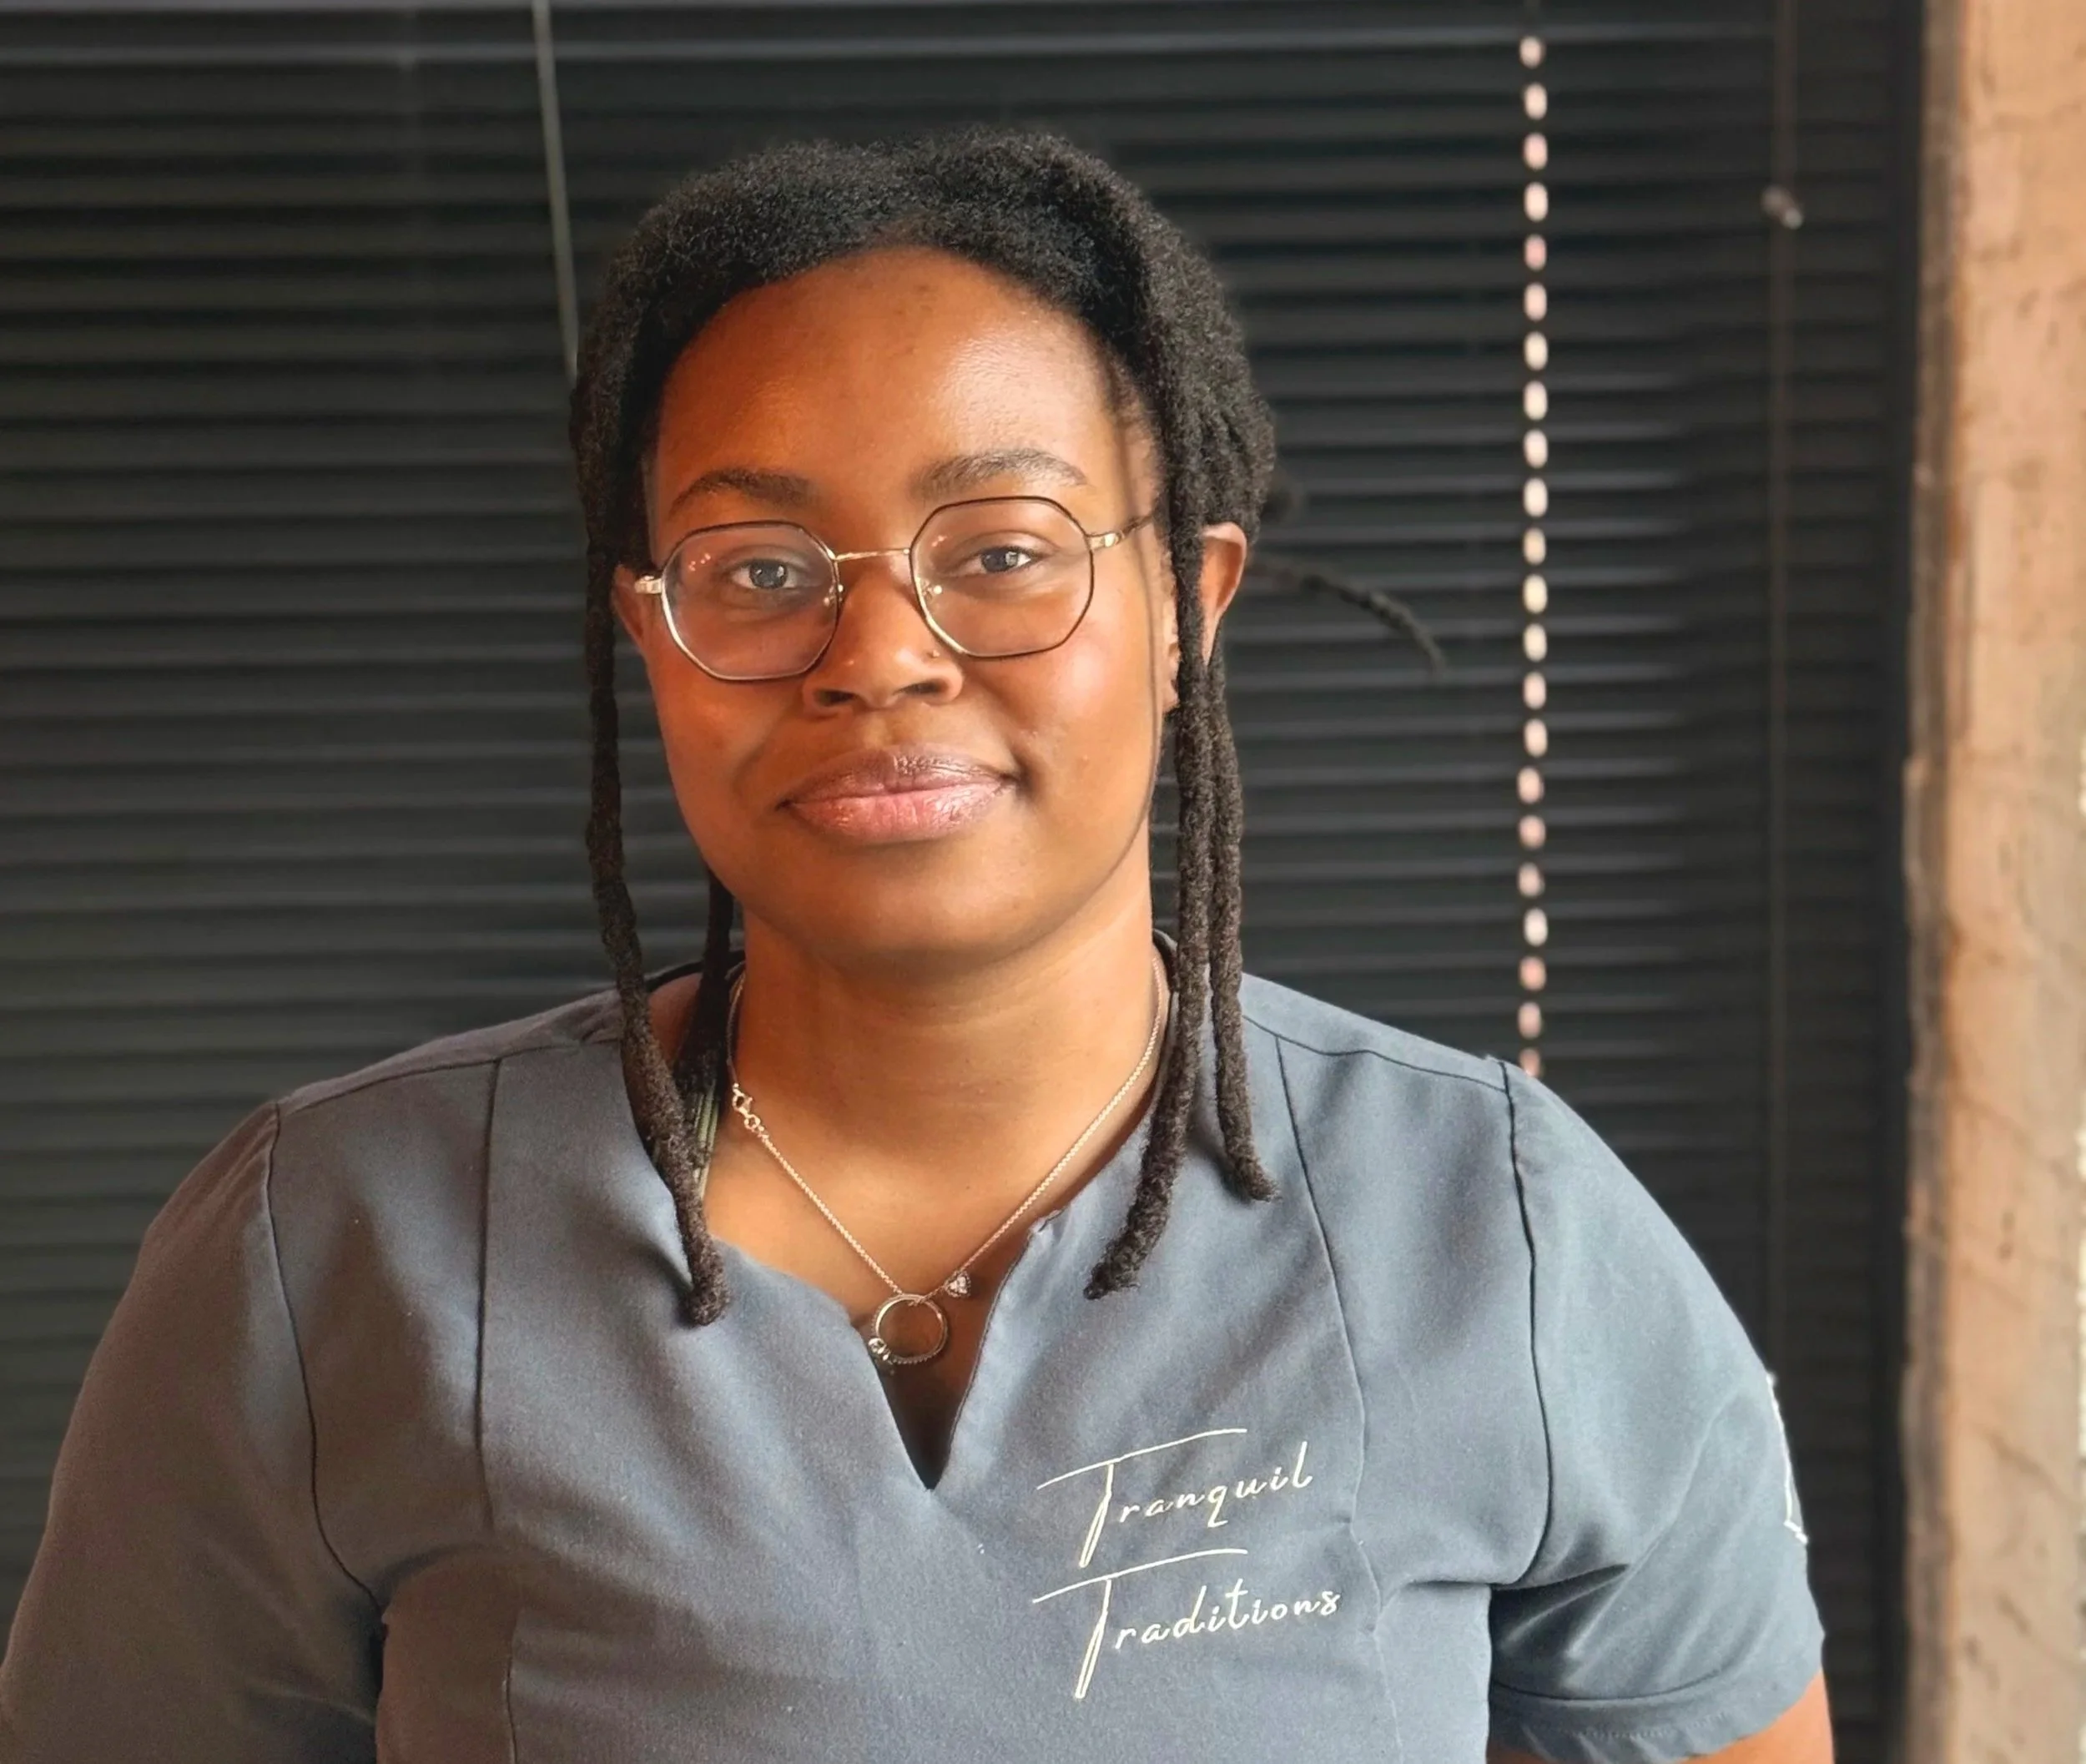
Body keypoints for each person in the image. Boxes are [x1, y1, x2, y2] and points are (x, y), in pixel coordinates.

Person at [0, 131, 1831, 1763]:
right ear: (651, 634)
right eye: (759, 570)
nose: (878, 652)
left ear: (1188, 604)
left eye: (1005, 548)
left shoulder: (1496, 1227)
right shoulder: (332, 1241)